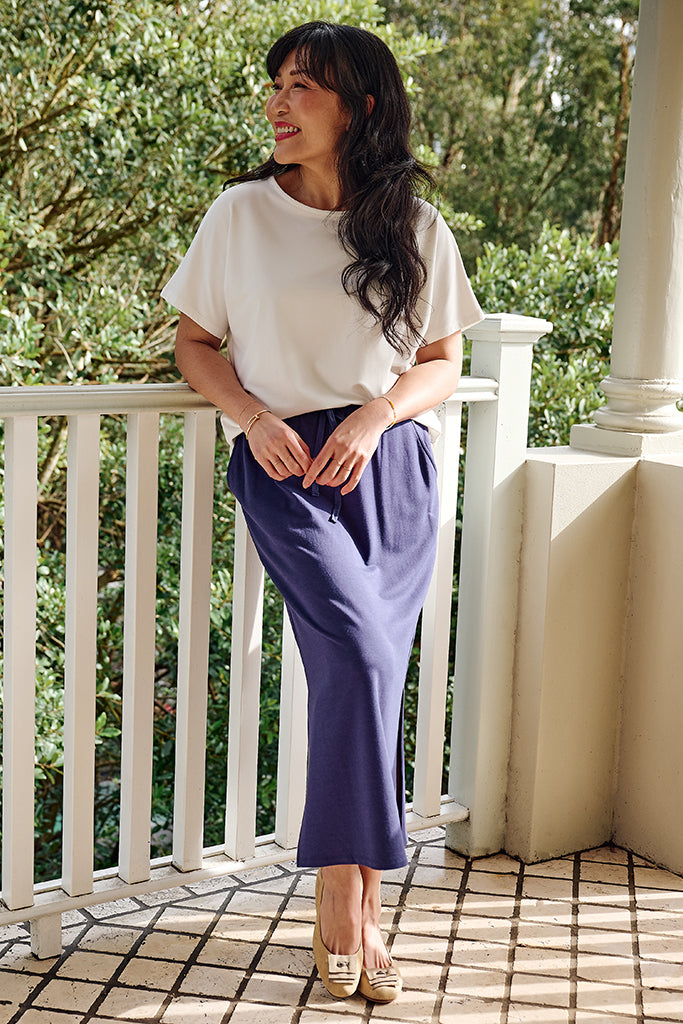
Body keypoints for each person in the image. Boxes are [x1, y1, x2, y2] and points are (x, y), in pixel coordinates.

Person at [162, 20, 482, 1004]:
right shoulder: (239, 215)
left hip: (389, 467)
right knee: (359, 654)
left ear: (360, 107)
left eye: (303, 86)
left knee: (373, 673)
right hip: (286, 464)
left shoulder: (415, 227)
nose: (278, 101)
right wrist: (252, 417)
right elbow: (193, 342)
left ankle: (359, 902)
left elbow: (442, 362)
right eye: (276, 84)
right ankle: (346, 902)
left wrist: (377, 416)